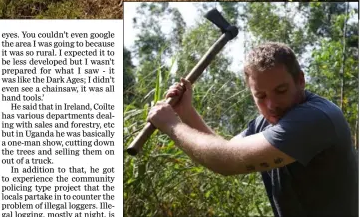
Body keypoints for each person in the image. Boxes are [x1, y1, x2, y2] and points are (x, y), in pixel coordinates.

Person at [147, 43, 358, 217]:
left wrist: (172, 126)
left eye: (281, 91)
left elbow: (225, 162)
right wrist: (185, 112)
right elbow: (227, 149)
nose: (272, 104)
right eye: (261, 96)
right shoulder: (266, 122)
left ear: (300, 80)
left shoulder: (315, 118)